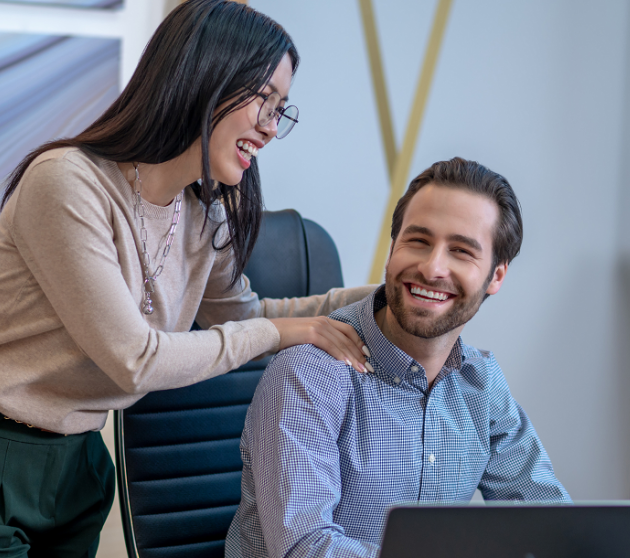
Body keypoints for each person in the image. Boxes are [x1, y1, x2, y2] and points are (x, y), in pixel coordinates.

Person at [0, 0, 375, 558]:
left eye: (281, 109)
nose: (270, 128)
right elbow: (135, 359)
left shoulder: (201, 214)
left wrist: (383, 297)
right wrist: (288, 333)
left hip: (75, 463)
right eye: (262, 100)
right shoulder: (68, 184)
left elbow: (246, 317)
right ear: (203, 77)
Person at [226, 158, 571, 558]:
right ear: (393, 249)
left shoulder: (480, 381)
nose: (432, 267)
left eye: (461, 251)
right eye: (418, 241)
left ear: (496, 276)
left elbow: (550, 524)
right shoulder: (308, 375)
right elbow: (306, 549)